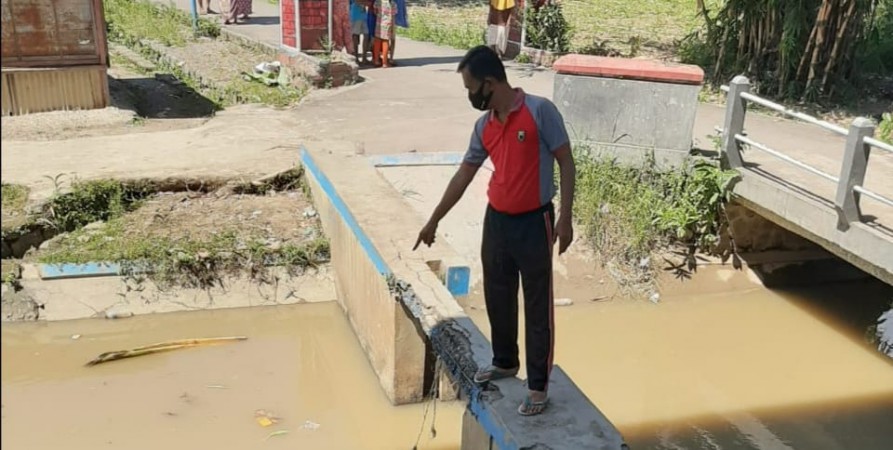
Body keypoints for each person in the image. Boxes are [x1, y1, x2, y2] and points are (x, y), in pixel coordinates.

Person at [413, 46, 576, 417]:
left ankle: (537, 386)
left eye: (472, 88)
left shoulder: (539, 112)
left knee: (537, 306)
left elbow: (566, 162)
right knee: (497, 295)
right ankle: (505, 361)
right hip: (496, 221)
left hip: (535, 221)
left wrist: (565, 218)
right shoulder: (484, 125)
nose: (471, 96)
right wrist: (434, 218)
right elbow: (464, 174)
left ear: (489, 83)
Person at [371, 0, 396, 67]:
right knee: (386, 41)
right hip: (388, 24)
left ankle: (376, 61)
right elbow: (393, 16)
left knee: (377, 41)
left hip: (379, 23)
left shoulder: (377, 1)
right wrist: (393, 28)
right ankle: (384, 62)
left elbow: (375, 12)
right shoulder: (392, 3)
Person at [350, 0, 370, 64]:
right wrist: (366, 3)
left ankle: (364, 58)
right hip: (355, 16)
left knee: (366, 35)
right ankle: (356, 58)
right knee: (355, 36)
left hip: (363, 16)